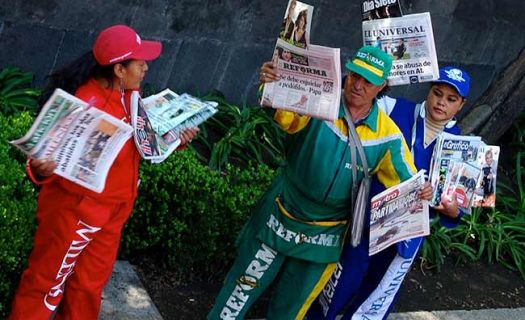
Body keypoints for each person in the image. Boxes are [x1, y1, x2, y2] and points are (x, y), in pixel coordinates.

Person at [207, 46, 419, 320]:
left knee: (291, 310)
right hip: (282, 214)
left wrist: (432, 196)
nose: (358, 85)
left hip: (326, 235)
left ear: (382, 86)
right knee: (238, 294)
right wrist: (272, 85)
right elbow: (286, 116)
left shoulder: (388, 136)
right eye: (355, 76)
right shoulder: (320, 99)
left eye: (368, 81)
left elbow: (409, 185)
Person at [8, 24, 199, 320]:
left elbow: (141, 145)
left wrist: (177, 139)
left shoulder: (130, 93)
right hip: (74, 213)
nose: (146, 67)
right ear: (119, 69)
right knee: (47, 284)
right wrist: (40, 168)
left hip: (114, 211)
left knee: (89, 285)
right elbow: (41, 160)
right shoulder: (85, 102)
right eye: (140, 62)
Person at [308, 66, 471, 320]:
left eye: (451, 99)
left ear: (461, 105)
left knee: (378, 291)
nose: (441, 103)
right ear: (428, 91)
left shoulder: (462, 146)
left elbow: (455, 209)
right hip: (367, 218)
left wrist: (448, 207)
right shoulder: (394, 108)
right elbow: (360, 96)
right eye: (437, 93)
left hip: (407, 232)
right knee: (343, 278)